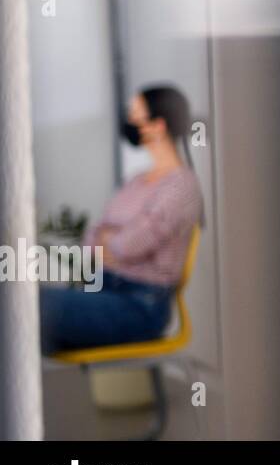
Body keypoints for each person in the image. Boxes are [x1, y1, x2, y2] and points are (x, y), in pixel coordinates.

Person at [40, 85, 204, 355]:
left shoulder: (181, 186)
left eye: (134, 114)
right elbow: (93, 238)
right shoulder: (136, 182)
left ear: (157, 125)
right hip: (101, 290)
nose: (129, 120)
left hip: (139, 305)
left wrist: (113, 243)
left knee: (28, 307)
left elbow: (128, 245)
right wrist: (111, 243)